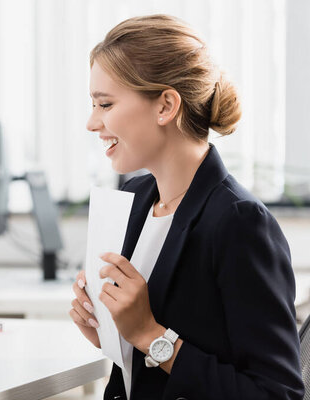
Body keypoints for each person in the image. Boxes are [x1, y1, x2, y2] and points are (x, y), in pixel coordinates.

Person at [70, 15, 304, 399]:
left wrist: (149, 335)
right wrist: (112, 334)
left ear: (165, 106)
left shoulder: (239, 222)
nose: (92, 123)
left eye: (105, 104)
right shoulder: (138, 197)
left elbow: (277, 394)